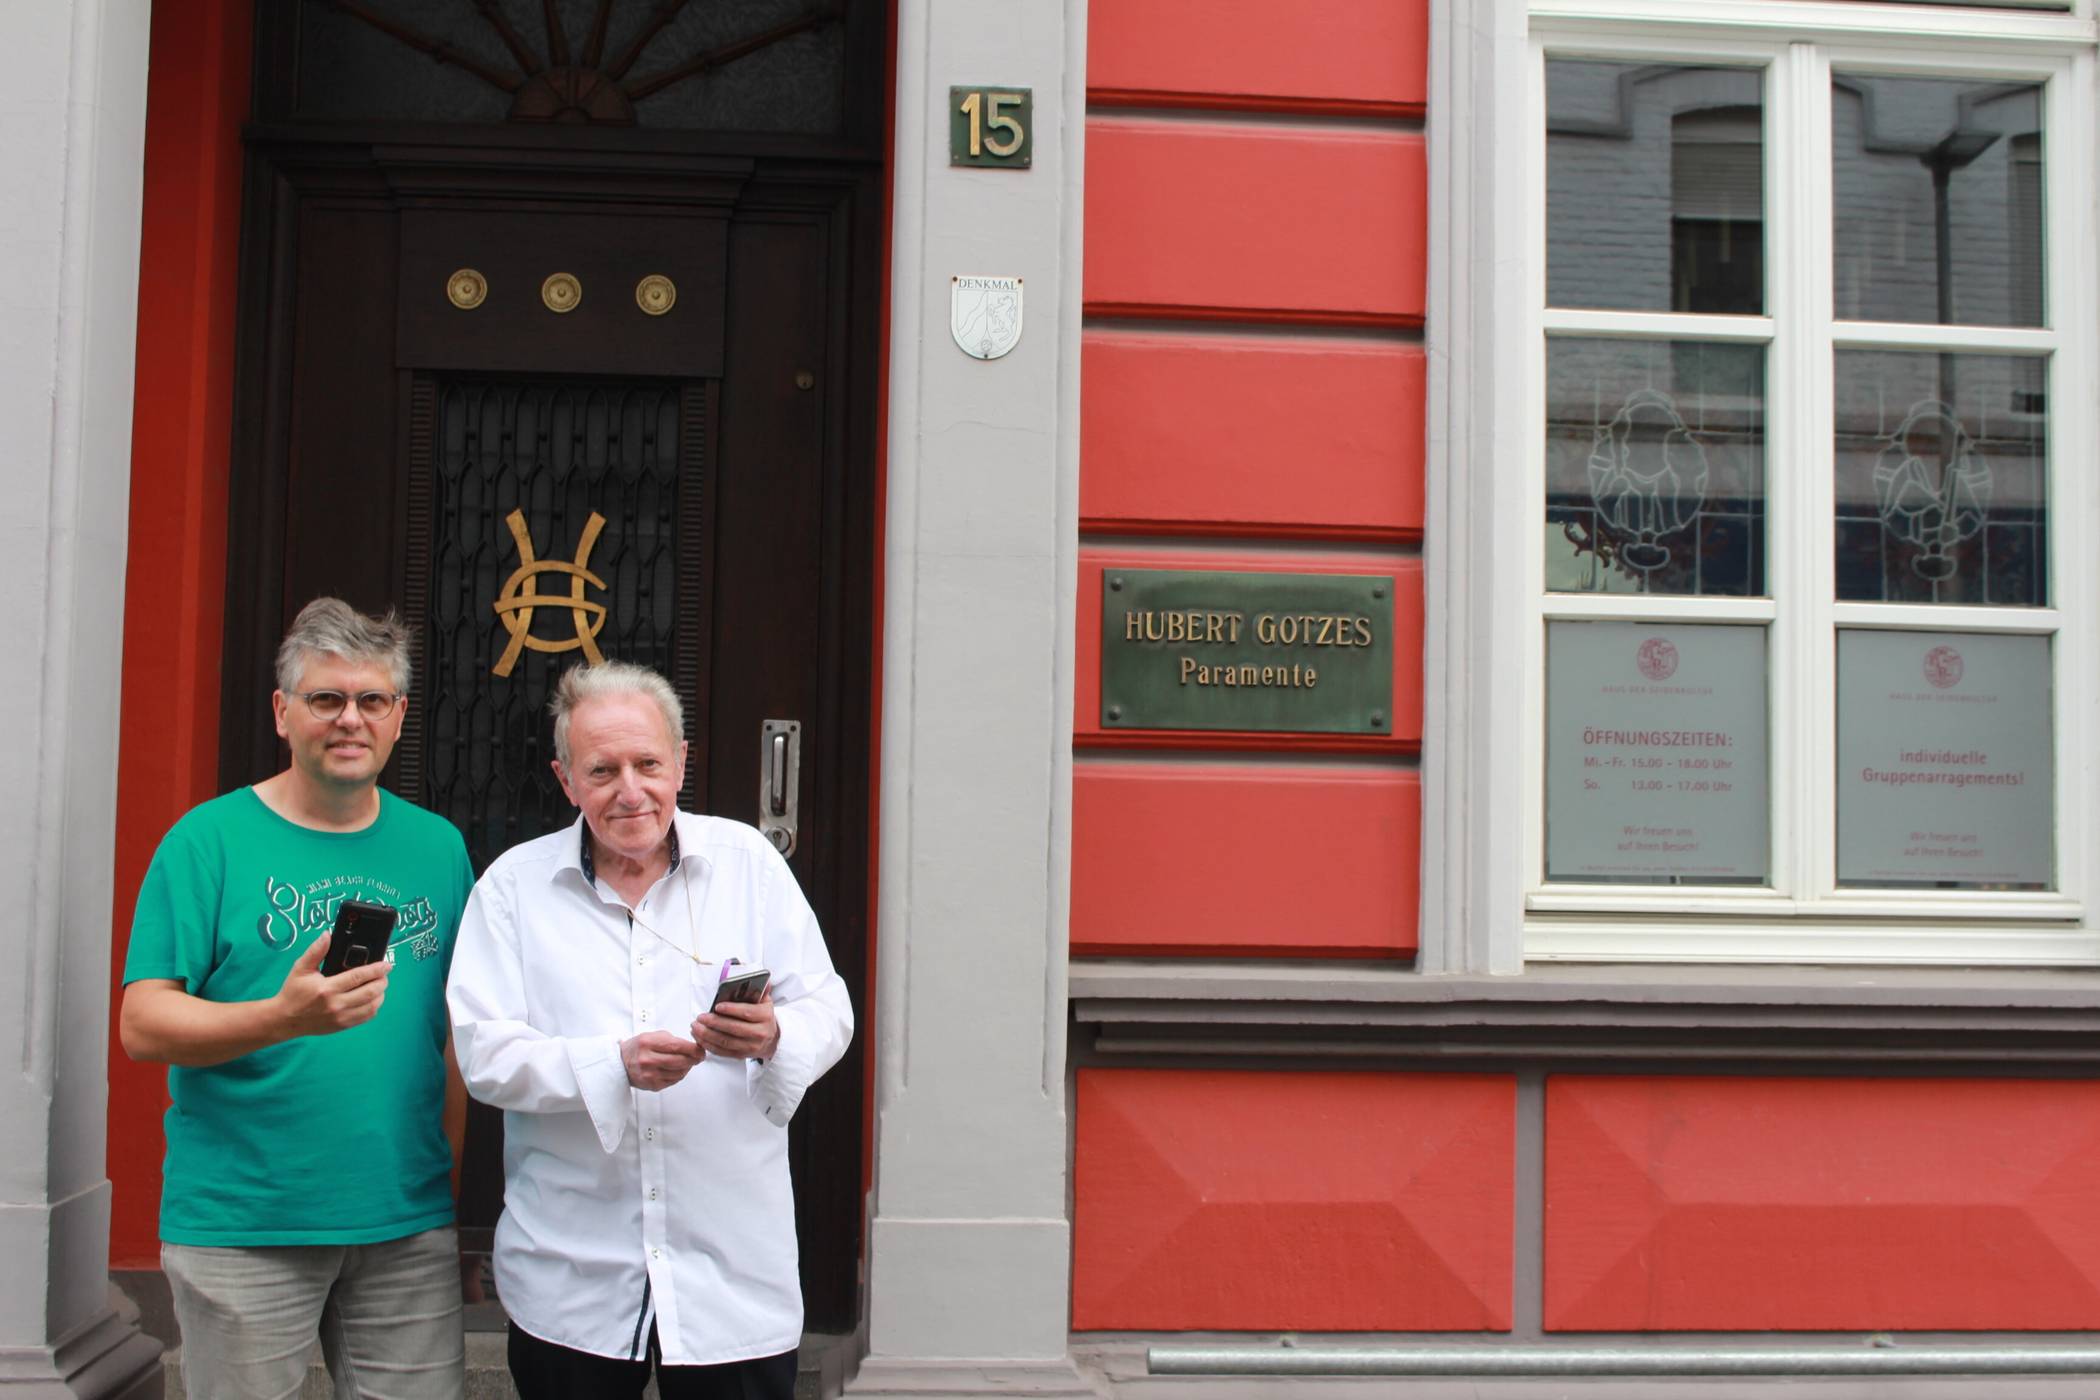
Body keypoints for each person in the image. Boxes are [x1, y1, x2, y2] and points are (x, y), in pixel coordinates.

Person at [447, 660, 852, 1400]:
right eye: (602, 770)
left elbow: (828, 1008)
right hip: (573, 1276)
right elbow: (484, 1054)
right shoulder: (512, 887)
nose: (630, 792)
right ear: (565, 778)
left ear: (682, 762)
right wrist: (612, 1064)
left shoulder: (749, 866)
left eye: (648, 765)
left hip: (731, 1270)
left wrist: (770, 1036)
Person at [119, 598, 473, 1400]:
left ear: (398, 716)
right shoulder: (206, 842)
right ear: (283, 713)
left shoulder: (439, 849)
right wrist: (284, 1018)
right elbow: (142, 1024)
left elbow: (453, 1032)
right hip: (246, 1224)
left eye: (372, 700)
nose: (350, 719)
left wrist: (442, 1182)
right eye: (326, 699)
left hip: (403, 1225)